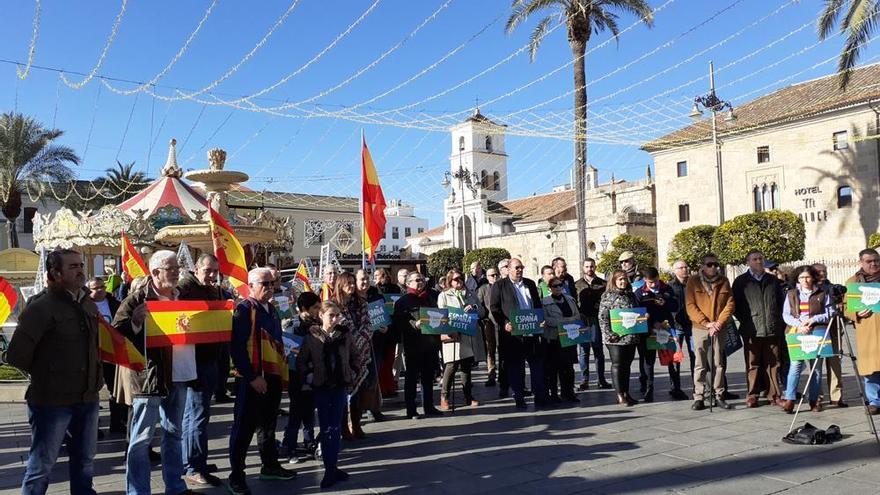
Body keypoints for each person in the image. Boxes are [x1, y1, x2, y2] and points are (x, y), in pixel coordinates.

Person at [8, 249, 102, 495]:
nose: (80, 270)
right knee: (41, 467)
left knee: (85, 463)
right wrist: (51, 374)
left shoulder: (88, 304)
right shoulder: (41, 307)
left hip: (87, 398)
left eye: (80, 265)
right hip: (51, 402)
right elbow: (17, 354)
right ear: (55, 273)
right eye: (72, 267)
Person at [111, 250, 195, 495]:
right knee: (140, 441)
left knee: (173, 434)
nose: (177, 271)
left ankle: (176, 487)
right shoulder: (137, 299)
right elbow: (117, 332)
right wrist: (135, 322)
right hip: (149, 378)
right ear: (155, 272)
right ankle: (137, 492)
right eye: (171, 268)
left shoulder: (183, 296)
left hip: (179, 373)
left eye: (177, 267)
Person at [227, 268, 297, 495]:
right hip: (252, 379)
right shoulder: (244, 309)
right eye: (264, 284)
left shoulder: (272, 309)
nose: (270, 288)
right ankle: (236, 475)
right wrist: (252, 377)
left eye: (272, 283)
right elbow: (237, 349)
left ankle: (270, 465)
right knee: (244, 428)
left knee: (268, 424)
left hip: (272, 375)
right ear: (251, 285)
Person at [177, 254, 226, 487]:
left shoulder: (214, 288)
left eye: (215, 271)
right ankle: (193, 465)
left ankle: (193, 460)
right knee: (197, 415)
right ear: (196, 269)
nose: (212, 275)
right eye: (208, 270)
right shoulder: (185, 287)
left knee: (194, 414)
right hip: (194, 359)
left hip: (210, 356)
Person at [297, 301, 357, 489]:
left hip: (340, 385)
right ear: (321, 316)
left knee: (336, 427)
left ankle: (332, 467)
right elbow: (301, 361)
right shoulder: (312, 336)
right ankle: (329, 467)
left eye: (337, 315)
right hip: (322, 387)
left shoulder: (345, 334)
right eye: (331, 315)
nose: (335, 319)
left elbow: (355, 356)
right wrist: (309, 376)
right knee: (326, 428)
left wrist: (353, 371)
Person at [490, 258, 548, 409]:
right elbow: (494, 308)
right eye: (516, 267)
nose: (519, 270)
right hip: (513, 335)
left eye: (521, 267)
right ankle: (519, 396)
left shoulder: (530, 284)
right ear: (508, 269)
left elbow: (536, 305)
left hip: (532, 331)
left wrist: (540, 319)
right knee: (516, 367)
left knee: (536, 365)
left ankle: (540, 396)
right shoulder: (499, 286)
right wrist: (504, 323)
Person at [733, 250, 786, 408]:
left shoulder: (772, 280)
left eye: (761, 258)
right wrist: (747, 320)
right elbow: (736, 305)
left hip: (772, 328)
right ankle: (752, 395)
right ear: (748, 262)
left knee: (774, 363)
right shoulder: (741, 281)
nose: (759, 261)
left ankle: (774, 395)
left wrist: (777, 320)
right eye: (755, 259)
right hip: (752, 329)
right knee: (752, 363)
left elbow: (780, 303)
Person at [686, 253, 735, 411]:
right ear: (702, 266)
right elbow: (690, 305)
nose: (713, 267)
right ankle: (699, 396)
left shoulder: (724, 281)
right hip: (701, 327)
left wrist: (719, 322)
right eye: (709, 264)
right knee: (700, 363)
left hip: (718, 328)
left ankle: (719, 394)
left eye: (715, 264)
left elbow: (729, 304)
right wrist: (706, 323)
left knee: (718, 363)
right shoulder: (693, 281)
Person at [781, 265, 832, 413]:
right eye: (802, 277)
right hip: (798, 332)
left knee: (815, 368)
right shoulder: (791, 294)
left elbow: (830, 312)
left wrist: (814, 319)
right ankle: (789, 399)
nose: (805, 280)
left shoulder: (823, 293)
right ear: (797, 278)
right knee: (795, 366)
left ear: (813, 277)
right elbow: (786, 315)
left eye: (808, 277)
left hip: (817, 331)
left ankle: (814, 400)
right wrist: (800, 325)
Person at [335, 271, 380, 438]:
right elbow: (341, 327)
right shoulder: (335, 305)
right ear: (341, 285)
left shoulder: (361, 303)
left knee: (358, 392)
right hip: (343, 354)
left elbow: (368, 325)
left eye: (353, 283)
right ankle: (343, 427)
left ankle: (356, 424)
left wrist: (360, 343)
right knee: (345, 393)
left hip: (360, 355)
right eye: (348, 283)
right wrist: (355, 342)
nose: (352, 286)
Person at [393, 272, 442, 418]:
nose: (420, 282)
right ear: (408, 283)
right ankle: (411, 409)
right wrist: (415, 324)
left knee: (428, 377)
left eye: (422, 280)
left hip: (430, 343)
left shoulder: (430, 297)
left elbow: (438, 315)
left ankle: (429, 406)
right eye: (417, 280)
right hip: (413, 345)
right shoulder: (403, 301)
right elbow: (399, 323)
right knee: (412, 378)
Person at [635, 267, 687, 401]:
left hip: (666, 328)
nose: (653, 284)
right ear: (645, 280)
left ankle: (676, 388)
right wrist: (652, 322)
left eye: (655, 281)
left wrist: (667, 303)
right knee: (648, 361)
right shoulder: (640, 293)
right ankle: (648, 388)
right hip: (649, 330)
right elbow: (638, 312)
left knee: (673, 359)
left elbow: (675, 306)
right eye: (650, 282)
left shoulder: (666, 288)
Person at [437, 269, 486, 409]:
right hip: (454, 333)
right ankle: (444, 396)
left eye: (460, 278)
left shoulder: (470, 294)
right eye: (455, 279)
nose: (459, 281)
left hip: (469, 334)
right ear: (449, 281)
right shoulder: (444, 295)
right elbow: (443, 314)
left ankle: (468, 396)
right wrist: (454, 322)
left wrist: (474, 308)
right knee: (451, 365)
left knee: (466, 366)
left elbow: (482, 311)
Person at [281, 291, 320, 463]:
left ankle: (309, 441)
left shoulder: (317, 324)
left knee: (309, 411)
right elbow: (289, 350)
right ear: (304, 308)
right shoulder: (293, 325)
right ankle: (289, 446)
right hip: (297, 375)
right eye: (315, 308)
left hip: (313, 374)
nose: (318, 311)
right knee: (296, 412)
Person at [87, 276, 126, 435]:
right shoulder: (84, 306)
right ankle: (92, 428)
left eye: (102, 286)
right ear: (88, 290)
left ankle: (117, 423)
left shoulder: (115, 304)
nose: (101, 290)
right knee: (91, 391)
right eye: (96, 288)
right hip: (92, 355)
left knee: (115, 390)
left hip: (112, 353)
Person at [845, 248, 880, 415]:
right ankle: (874, 402)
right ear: (861, 263)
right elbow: (845, 308)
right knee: (871, 369)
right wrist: (856, 313)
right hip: (867, 332)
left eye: (876, 260)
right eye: (869, 261)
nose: (873, 264)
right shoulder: (853, 283)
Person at [598, 270, 640, 407]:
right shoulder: (608, 296)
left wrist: (643, 318)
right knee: (617, 364)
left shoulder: (631, 295)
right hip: (615, 338)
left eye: (625, 279)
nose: (623, 282)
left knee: (627, 365)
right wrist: (610, 334)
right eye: (620, 279)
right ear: (614, 281)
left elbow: (636, 313)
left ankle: (626, 392)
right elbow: (603, 318)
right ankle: (619, 394)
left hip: (630, 336)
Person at [813, 262, 847, 407]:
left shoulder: (832, 288)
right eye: (819, 271)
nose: (823, 273)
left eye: (825, 271)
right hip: (817, 330)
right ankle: (817, 397)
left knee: (835, 363)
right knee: (816, 365)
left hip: (833, 329)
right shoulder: (811, 291)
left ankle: (836, 396)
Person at [356, 268, 387, 423]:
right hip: (359, 345)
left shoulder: (376, 295)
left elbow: (384, 316)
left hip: (376, 343)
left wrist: (385, 326)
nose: (365, 282)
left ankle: (373, 409)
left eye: (367, 278)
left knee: (373, 377)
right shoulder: (352, 298)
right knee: (360, 379)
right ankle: (358, 410)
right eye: (361, 279)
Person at [575, 258, 611, 391]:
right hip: (582, 320)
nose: (589, 269)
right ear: (583, 268)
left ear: (595, 267)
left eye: (592, 266)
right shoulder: (577, 284)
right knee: (583, 351)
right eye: (587, 266)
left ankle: (601, 379)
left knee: (598, 350)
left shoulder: (603, 284)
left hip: (596, 320)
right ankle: (584, 380)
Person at [542, 276, 580, 403]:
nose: (558, 288)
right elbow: (547, 320)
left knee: (568, 367)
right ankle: (553, 393)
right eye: (555, 286)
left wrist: (566, 322)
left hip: (569, 337)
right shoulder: (545, 302)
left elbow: (577, 315)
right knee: (553, 368)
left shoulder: (570, 299)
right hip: (553, 338)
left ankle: (568, 392)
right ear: (549, 288)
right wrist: (564, 322)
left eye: (560, 285)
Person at [373, 268, 401, 398]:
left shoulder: (395, 289)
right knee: (381, 362)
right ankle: (382, 388)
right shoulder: (373, 290)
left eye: (377, 275)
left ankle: (389, 386)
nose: (376, 278)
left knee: (389, 360)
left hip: (391, 329)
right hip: (379, 329)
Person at [669, 260, 696, 380]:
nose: (685, 269)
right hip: (676, 326)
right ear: (675, 271)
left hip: (692, 325)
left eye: (686, 267)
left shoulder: (694, 284)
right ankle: (675, 386)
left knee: (695, 355)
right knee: (675, 357)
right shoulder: (669, 287)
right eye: (681, 268)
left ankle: (697, 385)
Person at [477, 267, 501, 387]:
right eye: (492, 275)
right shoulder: (483, 289)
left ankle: (503, 375)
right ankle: (491, 374)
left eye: (496, 274)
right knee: (491, 350)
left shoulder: (503, 287)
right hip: (489, 323)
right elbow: (479, 305)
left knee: (502, 349)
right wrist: (483, 319)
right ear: (487, 277)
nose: (495, 277)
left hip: (503, 323)